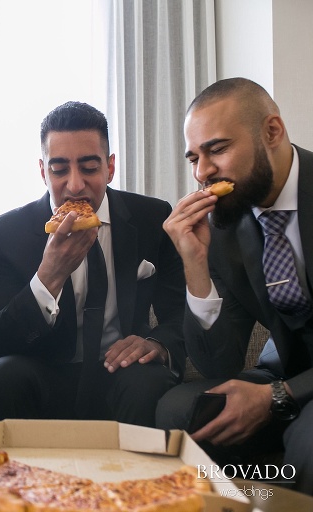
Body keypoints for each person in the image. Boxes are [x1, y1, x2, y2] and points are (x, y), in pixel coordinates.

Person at [0, 101, 186, 427]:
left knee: (149, 381)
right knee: (3, 375)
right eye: (59, 169)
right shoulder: (4, 234)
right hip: (45, 369)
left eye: (89, 168)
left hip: (120, 370)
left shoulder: (153, 218)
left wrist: (157, 344)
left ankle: (135, 477)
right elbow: (0, 339)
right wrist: (49, 275)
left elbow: (179, 314)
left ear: (110, 167)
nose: (75, 185)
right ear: (42, 170)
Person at [158, 77, 313, 495]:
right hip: (286, 369)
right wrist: (195, 264)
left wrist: (280, 395)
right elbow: (218, 364)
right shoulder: (226, 223)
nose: (202, 172)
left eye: (218, 150)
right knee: (182, 411)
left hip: (296, 384)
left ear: (272, 132)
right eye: (193, 156)